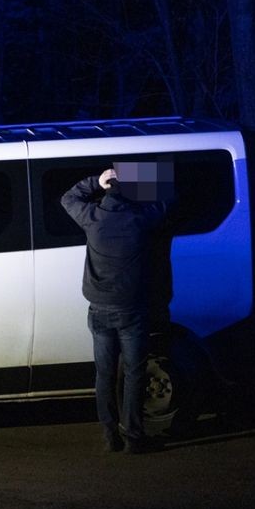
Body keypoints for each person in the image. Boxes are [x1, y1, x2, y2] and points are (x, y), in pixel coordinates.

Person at [61, 168, 169, 454]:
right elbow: (166, 197)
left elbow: (68, 197)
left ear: (106, 193)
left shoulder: (91, 218)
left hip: (99, 310)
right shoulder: (139, 220)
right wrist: (138, 178)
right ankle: (134, 435)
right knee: (134, 373)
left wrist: (96, 181)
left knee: (104, 374)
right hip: (132, 310)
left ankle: (110, 434)